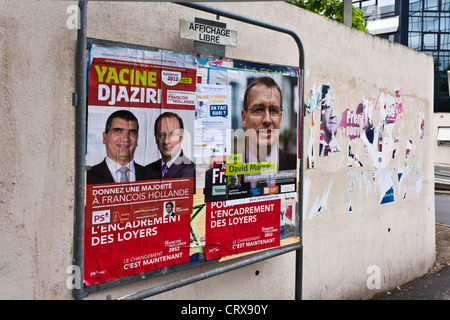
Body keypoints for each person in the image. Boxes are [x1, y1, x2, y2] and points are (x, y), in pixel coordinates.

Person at [240, 77, 297, 189]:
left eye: (273, 110)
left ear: (280, 119)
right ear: (244, 118)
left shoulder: (298, 167)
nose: (267, 119)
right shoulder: (223, 173)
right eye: (258, 109)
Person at [87, 110, 149, 184]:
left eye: (132, 132)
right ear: (104, 138)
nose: (125, 139)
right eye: (118, 131)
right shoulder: (87, 177)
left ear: (137, 139)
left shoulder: (154, 177)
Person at [146, 112, 195, 179]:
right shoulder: (147, 170)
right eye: (162, 135)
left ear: (181, 137)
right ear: (156, 139)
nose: (166, 141)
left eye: (173, 135)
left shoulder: (192, 171)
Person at [319, 85, 341, 156]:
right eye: (328, 106)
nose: (333, 114)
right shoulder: (312, 149)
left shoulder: (349, 154)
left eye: (337, 107)